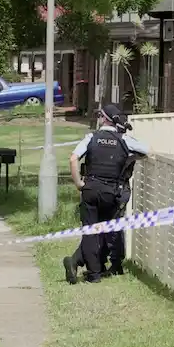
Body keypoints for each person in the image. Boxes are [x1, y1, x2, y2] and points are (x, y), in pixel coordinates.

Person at [63, 104, 149, 284]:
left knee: (90, 232)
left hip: (91, 188)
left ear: (103, 119)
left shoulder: (91, 138)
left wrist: (79, 183)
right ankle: (98, 265)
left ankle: (93, 273)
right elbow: (145, 150)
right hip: (112, 192)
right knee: (105, 229)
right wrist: (130, 156)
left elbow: (73, 158)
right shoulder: (123, 139)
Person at [98, 118, 140, 277]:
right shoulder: (120, 144)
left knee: (114, 227)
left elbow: (144, 150)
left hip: (119, 189)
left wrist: (132, 157)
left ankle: (115, 263)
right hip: (111, 188)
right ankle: (103, 261)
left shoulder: (127, 143)